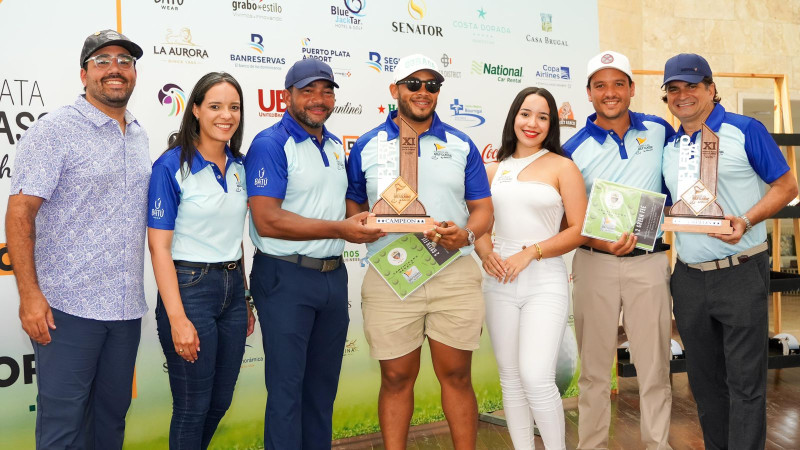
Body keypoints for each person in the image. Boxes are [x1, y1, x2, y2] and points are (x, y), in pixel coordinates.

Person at [5, 30, 148, 449]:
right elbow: (19, 213)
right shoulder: (55, 131)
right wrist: (29, 296)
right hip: (67, 310)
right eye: (102, 61)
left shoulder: (138, 134)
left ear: (134, 74)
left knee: (110, 422)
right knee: (62, 427)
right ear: (84, 73)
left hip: (124, 310)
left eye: (124, 61)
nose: (115, 69)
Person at [346, 54, 493, 448]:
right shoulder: (366, 144)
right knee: (395, 377)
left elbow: (482, 209)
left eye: (432, 85)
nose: (423, 92)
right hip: (391, 273)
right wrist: (366, 227)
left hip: (453, 271)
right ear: (394, 90)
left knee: (458, 376)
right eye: (413, 84)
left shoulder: (461, 143)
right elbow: (354, 207)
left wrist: (466, 234)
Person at [244, 58, 383, 449]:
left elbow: (344, 209)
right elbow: (268, 220)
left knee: (322, 393)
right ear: (287, 96)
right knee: (287, 395)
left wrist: (374, 222)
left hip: (332, 277)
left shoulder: (338, 145)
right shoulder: (271, 144)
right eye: (308, 91)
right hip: (285, 277)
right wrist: (341, 228)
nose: (319, 100)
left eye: (326, 91)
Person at [661, 53, 797, 450]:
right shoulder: (670, 145)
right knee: (704, 385)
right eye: (674, 89)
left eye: (692, 86)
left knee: (745, 384)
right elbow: (670, 207)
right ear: (666, 97)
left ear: (711, 88)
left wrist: (747, 220)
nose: (683, 95)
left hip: (740, 271)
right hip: (687, 277)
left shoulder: (746, 130)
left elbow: (787, 187)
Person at [562, 50, 675, 450]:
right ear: (589, 94)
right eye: (600, 86)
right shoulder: (571, 149)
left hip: (649, 262)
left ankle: (658, 445)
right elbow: (566, 222)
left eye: (618, 84)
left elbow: (679, 181)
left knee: (655, 368)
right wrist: (599, 239)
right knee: (594, 372)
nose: (610, 93)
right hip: (595, 264)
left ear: (631, 88)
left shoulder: (660, 129)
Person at [147, 71, 256, 449]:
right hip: (189, 290)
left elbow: (236, 241)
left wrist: (244, 298)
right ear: (194, 110)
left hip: (231, 292)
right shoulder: (170, 166)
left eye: (234, 107)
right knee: (193, 407)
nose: (226, 115)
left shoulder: (240, 166)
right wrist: (178, 319)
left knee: (220, 401)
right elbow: (159, 248)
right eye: (214, 106)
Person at [474, 87, 587, 449]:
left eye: (543, 116)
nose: (532, 123)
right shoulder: (493, 169)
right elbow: (479, 226)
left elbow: (579, 230)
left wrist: (531, 253)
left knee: (536, 377)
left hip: (545, 280)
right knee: (510, 378)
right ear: (513, 118)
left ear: (552, 124)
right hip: (499, 281)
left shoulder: (562, 166)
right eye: (526, 113)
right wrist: (485, 252)